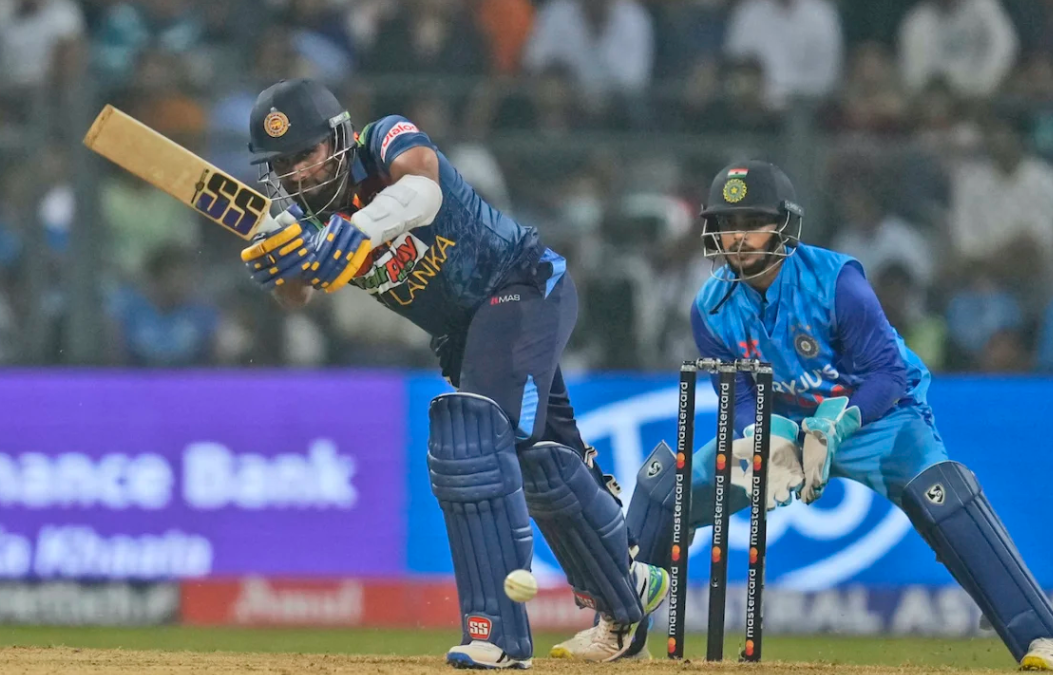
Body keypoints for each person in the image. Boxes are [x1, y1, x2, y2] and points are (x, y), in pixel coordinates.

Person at [238, 78, 668, 667]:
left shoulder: (382, 141)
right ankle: (627, 584)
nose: (297, 174)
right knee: (541, 459)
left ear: (338, 139)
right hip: (465, 336)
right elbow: (298, 297)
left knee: (474, 443)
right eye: (282, 164)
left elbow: (424, 186)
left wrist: (360, 230)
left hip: (520, 285)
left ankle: (497, 635)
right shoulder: (300, 217)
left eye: (305, 154)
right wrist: (281, 266)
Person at [625, 160, 1053, 669]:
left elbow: (888, 375)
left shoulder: (836, 281)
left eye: (753, 222)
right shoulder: (710, 307)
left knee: (943, 493)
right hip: (783, 426)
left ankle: (1040, 636)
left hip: (875, 420)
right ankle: (619, 627)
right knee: (665, 488)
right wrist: (765, 436)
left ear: (784, 224)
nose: (738, 238)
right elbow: (737, 395)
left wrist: (835, 426)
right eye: (727, 224)